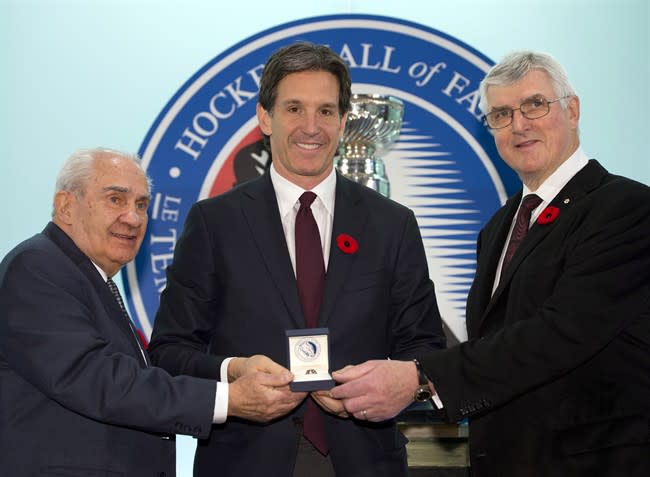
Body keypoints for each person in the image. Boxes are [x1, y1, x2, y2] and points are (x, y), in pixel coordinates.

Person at [330, 50, 650, 476]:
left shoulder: (627, 209)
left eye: (535, 104)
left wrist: (421, 377)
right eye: (501, 114)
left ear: (571, 110)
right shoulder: (499, 226)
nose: (519, 124)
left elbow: (558, 335)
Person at [148, 42, 446, 477]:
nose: (311, 127)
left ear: (344, 121)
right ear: (264, 117)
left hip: (363, 461)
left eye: (326, 111)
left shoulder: (392, 224)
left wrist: (390, 382)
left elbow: (424, 348)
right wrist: (234, 375)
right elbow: (169, 352)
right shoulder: (214, 223)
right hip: (244, 462)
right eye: (294, 109)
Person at [0, 148, 302, 476]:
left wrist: (232, 370)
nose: (133, 218)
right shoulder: (37, 267)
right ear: (66, 206)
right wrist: (228, 400)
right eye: (116, 199)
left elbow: (137, 380)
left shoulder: (90, 278)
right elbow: (100, 380)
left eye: (141, 205)